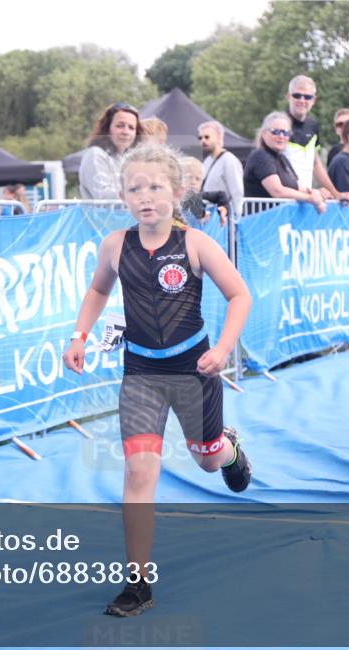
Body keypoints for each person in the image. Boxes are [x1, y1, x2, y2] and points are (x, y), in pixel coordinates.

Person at [63, 143, 252, 617]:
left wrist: (222, 351)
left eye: (155, 187)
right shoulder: (115, 245)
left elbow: (240, 296)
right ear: (122, 196)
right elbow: (97, 289)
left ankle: (228, 448)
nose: (145, 196)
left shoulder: (195, 243)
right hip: (142, 373)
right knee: (139, 472)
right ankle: (138, 584)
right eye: (134, 188)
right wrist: (79, 335)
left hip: (194, 371)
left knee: (206, 461)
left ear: (178, 191)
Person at [243, 111, 329, 214]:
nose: (281, 136)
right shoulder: (261, 156)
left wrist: (317, 193)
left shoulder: (282, 158)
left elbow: (300, 188)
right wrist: (310, 198)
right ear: (264, 134)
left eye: (286, 133)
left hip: (280, 223)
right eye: (276, 132)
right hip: (260, 223)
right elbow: (277, 191)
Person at [282, 75, 349, 202]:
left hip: (306, 200)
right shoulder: (279, 124)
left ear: (314, 100)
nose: (302, 100)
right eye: (297, 95)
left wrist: (335, 193)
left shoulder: (312, 125)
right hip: (282, 200)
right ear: (288, 96)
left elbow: (315, 164)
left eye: (307, 97)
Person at [79, 103, 144, 199]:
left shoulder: (128, 159)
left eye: (131, 128)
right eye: (120, 126)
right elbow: (102, 196)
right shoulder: (95, 154)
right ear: (107, 128)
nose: (126, 132)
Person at [198, 120, 244, 220]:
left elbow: (237, 192)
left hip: (225, 218)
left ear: (219, 137)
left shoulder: (229, 160)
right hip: (211, 219)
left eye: (207, 137)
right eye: (200, 138)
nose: (203, 141)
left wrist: (236, 220)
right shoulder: (207, 161)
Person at [179, 155, 231, 226]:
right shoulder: (174, 197)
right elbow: (191, 199)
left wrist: (224, 208)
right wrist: (202, 214)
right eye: (188, 177)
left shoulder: (200, 195)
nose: (193, 182)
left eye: (198, 179)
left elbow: (220, 194)